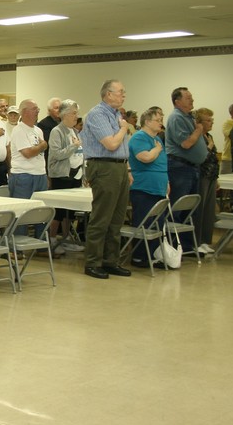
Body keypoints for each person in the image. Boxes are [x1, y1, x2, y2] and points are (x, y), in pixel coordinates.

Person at [80, 79, 132, 280]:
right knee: (102, 217)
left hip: (119, 167)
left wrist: (127, 169)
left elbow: (121, 148)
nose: (123, 95)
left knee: (117, 218)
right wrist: (124, 129)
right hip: (104, 167)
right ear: (108, 94)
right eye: (120, 92)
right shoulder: (97, 114)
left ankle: (111, 261)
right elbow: (111, 144)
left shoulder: (117, 114)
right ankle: (93, 262)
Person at [165, 87, 208, 253]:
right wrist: (198, 130)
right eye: (188, 98)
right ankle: (174, 247)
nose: (192, 100)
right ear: (177, 101)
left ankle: (187, 246)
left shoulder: (188, 117)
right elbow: (186, 143)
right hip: (179, 168)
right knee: (178, 208)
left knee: (190, 209)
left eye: (191, 97)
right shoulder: (176, 117)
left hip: (191, 168)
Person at [127, 108, 168, 268]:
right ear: (147, 121)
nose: (161, 123)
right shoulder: (139, 137)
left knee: (158, 224)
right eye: (158, 120)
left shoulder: (157, 138)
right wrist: (157, 149)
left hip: (159, 187)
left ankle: (154, 255)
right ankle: (139, 257)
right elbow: (145, 157)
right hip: (144, 188)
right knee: (144, 223)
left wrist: (167, 182)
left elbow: (162, 163)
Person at [47, 100, 85, 253]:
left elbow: (81, 154)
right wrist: (73, 146)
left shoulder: (75, 131)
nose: (76, 116)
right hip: (61, 175)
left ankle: (66, 238)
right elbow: (57, 154)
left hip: (75, 175)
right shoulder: (57, 131)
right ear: (64, 115)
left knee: (70, 211)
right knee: (59, 210)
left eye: (76, 113)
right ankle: (52, 240)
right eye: (73, 113)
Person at [7, 99, 47, 200]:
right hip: (24, 176)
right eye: (34, 109)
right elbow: (28, 153)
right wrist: (42, 146)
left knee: (39, 210)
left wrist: (41, 146)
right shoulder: (19, 130)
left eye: (38, 109)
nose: (37, 111)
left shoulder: (38, 130)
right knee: (22, 211)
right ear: (24, 112)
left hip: (40, 174)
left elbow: (38, 150)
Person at [194, 108, 219, 255]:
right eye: (208, 120)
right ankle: (196, 241)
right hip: (202, 175)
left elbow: (214, 159)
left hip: (211, 176)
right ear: (199, 122)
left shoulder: (209, 136)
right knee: (200, 209)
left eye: (212, 120)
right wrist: (208, 148)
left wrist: (216, 178)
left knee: (209, 210)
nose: (211, 123)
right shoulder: (197, 138)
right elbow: (200, 158)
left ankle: (205, 240)